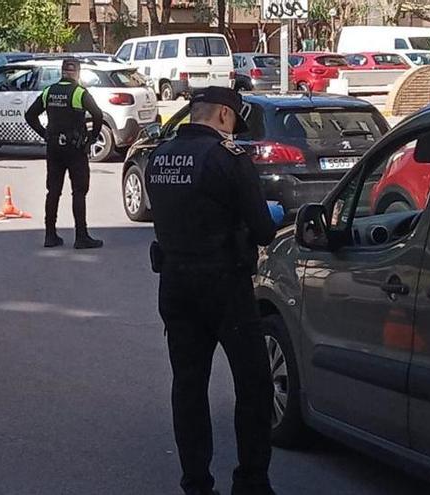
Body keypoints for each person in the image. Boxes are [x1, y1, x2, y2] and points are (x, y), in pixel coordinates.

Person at [145, 86, 278, 495]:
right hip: (224, 284)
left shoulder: (158, 157)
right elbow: (262, 229)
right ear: (223, 115)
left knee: (188, 385)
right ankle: (251, 482)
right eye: (235, 121)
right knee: (254, 384)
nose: (234, 129)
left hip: (175, 283)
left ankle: (196, 485)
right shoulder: (228, 159)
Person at [24, 58, 104, 249]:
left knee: (53, 191)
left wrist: (44, 134)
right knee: (79, 191)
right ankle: (81, 236)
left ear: (62, 72)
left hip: (54, 148)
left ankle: (50, 235)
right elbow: (98, 115)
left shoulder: (49, 91)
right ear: (76, 72)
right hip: (75, 149)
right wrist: (92, 138)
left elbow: (30, 115)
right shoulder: (79, 92)